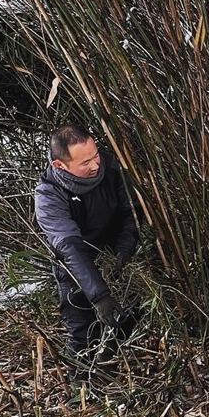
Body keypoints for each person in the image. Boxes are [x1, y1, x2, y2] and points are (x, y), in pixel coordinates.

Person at [34, 124, 139, 371]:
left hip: (114, 250)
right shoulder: (48, 194)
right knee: (82, 329)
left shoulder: (111, 167)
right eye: (85, 163)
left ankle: (110, 354)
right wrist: (99, 295)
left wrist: (125, 247)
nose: (95, 165)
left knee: (130, 313)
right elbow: (69, 247)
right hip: (75, 265)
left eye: (96, 156)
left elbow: (131, 213)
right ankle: (80, 378)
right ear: (60, 165)